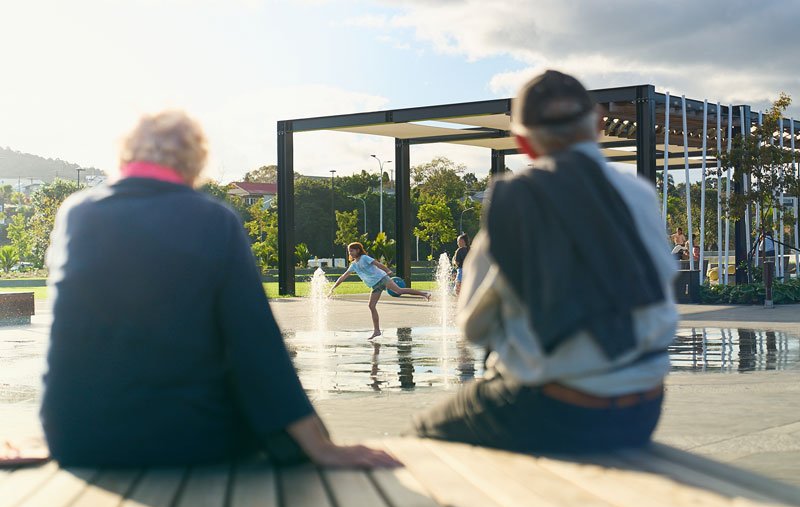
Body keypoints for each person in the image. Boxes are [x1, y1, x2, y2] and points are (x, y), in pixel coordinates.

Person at [41, 111, 399, 469]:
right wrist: (320, 445)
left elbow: (65, 339)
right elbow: (255, 341)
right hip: (189, 438)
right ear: (195, 161)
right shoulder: (211, 218)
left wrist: (56, 431)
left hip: (79, 440)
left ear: (124, 154)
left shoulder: (77, 213)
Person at [412, 70, 678, 453]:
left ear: (524, 143)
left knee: (421, 434)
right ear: (599, 125)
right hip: (644, 409)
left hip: (558, 412)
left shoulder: (516, 201)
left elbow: (473, 328)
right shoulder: (639, 194)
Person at [329, 242, 430, 340]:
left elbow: (377, 264)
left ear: (358, 250)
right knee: (371, 306)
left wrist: (387, 270)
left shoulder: (364, 258)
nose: (350, 253)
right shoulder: (354, 265)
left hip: (382, 278)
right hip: (375, 285)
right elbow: (343, 276)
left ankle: (424, 294)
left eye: (352, 251)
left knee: (399, 291)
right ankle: (377, 331)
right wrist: (333, 288)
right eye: (349, 251)